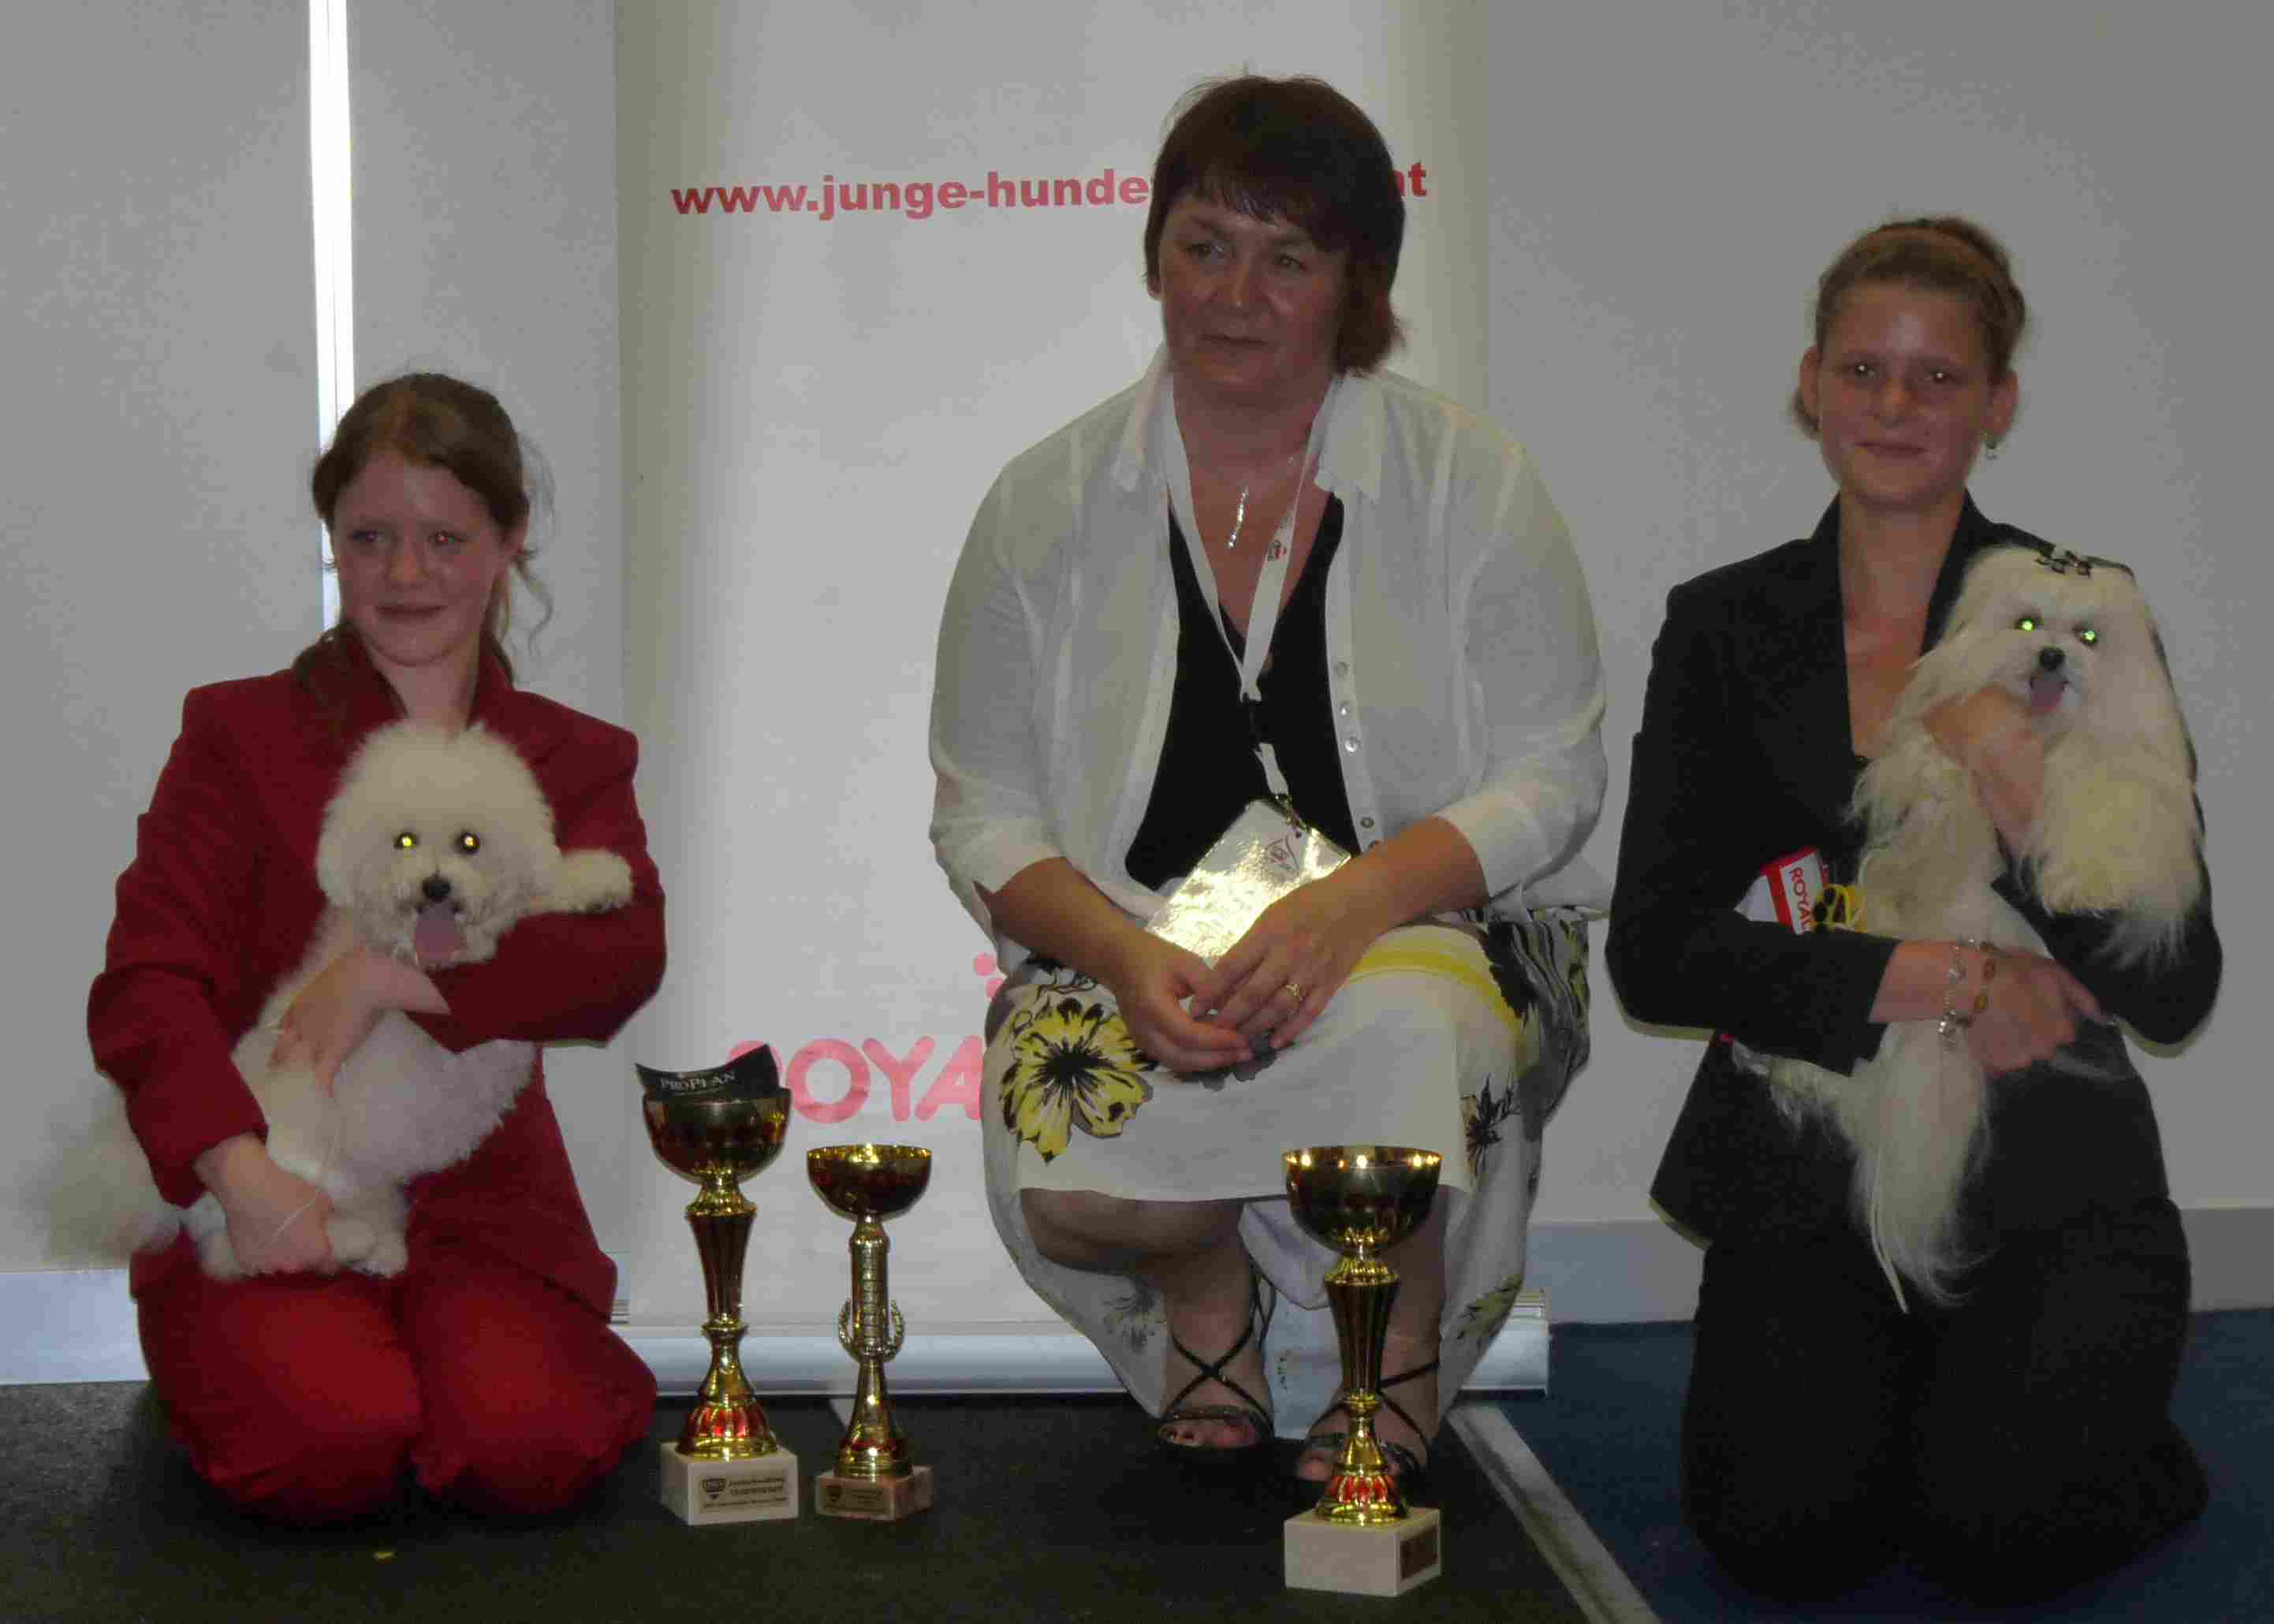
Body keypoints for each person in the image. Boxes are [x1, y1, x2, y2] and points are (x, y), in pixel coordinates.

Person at [929, 75, 1605, 1484]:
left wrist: (1348, 911)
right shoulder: (1040, 504)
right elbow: (980, 809)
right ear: (1155, 258)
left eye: (1288, 257)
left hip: (1426, 933)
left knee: (1410, 1031)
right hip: (1133, 946)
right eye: (1205, 246)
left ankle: (1395, 1344)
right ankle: (1201, 1283)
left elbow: (1554, 777)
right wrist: (1123, 958)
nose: (1235, 296)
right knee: (1065, 1144)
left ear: (1358, 286)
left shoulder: (1475, 484)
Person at [1606, 218, 2221, 1604]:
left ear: (1997, 406)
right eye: (1863, 370)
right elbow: (1655, 951)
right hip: (1809, 1147)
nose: (1895, 406)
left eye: (1939, 378)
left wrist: (2016, 788)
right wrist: (1949, 976)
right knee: (1785, 1543)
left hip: (2044, 1160)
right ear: (1810, 385)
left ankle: (2108, 1421)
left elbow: (2177, 984)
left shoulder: (2082, 615)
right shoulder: (1720, 625)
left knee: (1997, 1543)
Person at [87, 373, 665, 1524]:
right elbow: (149, 984)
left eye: (446, 538)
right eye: (370, 538)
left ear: (510, 539)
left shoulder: (574, 754)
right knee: (326, 1442)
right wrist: (242, 1178)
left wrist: (390, 975)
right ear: (333, 542)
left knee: (532, 1444)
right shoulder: (236, 732)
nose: (406, 574)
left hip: (487, 1201)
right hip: (274, 1159)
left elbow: (619, 960)